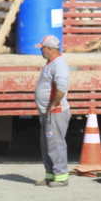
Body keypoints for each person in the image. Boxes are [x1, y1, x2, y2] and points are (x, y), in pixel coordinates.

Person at [34, 35, 70, 187]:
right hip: (47, 113)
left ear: (49, 49)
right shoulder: (51, 63)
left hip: (55, 112)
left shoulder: (59, 64)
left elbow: (61, 87)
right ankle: (50, 175)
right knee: (47, 145)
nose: (40, 51)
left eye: (42, 48)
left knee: (56, 144)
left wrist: (53, 105)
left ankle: (61, 177)